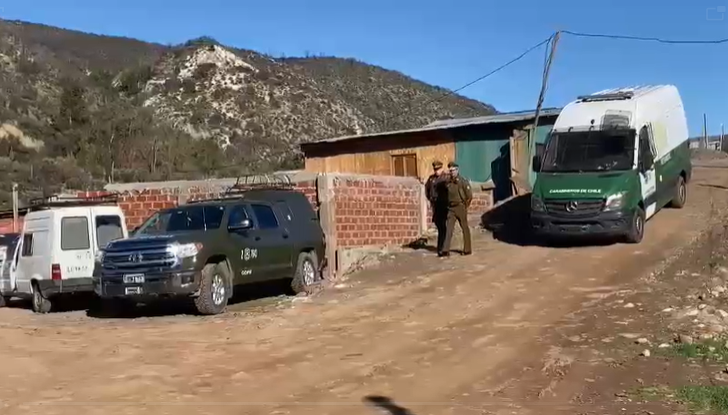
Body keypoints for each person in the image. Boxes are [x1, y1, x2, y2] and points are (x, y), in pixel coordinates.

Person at [441, 161, 473, 256]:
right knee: (449, 229)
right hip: (451, 208)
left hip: (460, 207)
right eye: (450, 170)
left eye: (453, 170)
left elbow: (469, 196)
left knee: (464, 228)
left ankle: (467, 249)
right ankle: (445, 250)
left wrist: (465, 206)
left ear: (457, 170)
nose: (452, 172)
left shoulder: (462, 181)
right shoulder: (448, 182)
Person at [424, 160, 450, 255]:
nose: (436, 171)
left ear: (441, 168)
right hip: (436, 206)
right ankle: (442, 248)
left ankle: (443, 249)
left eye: (438, 169)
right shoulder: (431, 179)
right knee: (440, 227)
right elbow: (427, 189)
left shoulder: (446, 178)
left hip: (444, 206)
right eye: (435, 169)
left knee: (444, 228)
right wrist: (430, 200)